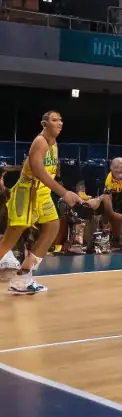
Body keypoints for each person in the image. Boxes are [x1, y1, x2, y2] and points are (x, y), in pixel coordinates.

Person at [0, 110, 81, 293]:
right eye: (54, 120)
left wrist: (71, 192)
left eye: (61, 120)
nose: (60, 123)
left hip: (42, 193)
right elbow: (37, 170)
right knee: (10, 239)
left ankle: (23, 278)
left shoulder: (54, 144)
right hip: (27, 192)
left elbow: (50, 174)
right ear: (44, 124)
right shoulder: (40, 142)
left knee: (52, 226)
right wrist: (64, 193)